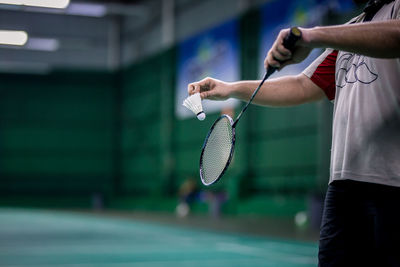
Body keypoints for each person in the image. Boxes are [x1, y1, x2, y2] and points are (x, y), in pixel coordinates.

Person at [187, 0, 400, 266]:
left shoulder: (393, 11)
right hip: (345, 187)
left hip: (393, 183)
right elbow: (303, 85)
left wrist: (310, 35)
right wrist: (230, 88)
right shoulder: (355, 28)